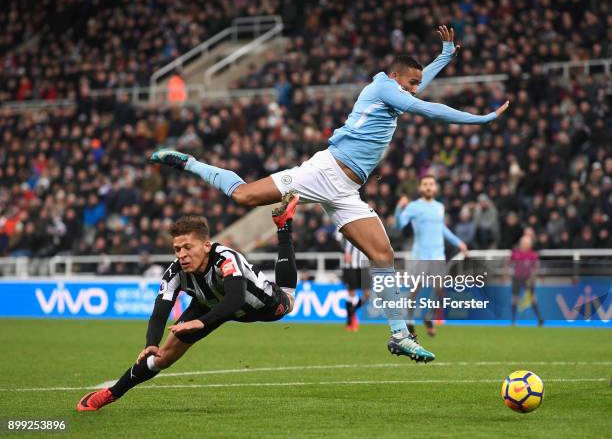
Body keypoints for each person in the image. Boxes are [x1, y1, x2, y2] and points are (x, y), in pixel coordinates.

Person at [151, 26, 510, 363]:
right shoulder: (383, 87)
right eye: (411, 83)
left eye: (416, 84)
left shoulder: (399, 90)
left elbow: (419, 89)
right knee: (245, 196)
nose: (416, 89)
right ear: (397, 78)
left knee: (382, 254)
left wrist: (445, 55)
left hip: (347, 189)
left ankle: (399, 335)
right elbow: (426, 107)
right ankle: (191, 163)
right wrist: (480, 119)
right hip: (324, 172)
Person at [76, 192, 300, 411]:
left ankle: (283, 226)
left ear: (206, 246)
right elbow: (160, 311)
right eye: (177, 249)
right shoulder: (175, 271)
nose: (181, 254)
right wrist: (151, 343)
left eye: (187, 248)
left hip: (256, 305)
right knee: (161, 357)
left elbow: (236, 298)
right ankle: (110, 394)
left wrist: (202, 323)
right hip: (209, 305)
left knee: (288, 298)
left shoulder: (225, 258)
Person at [395, 175, 468, 336]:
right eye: (425, 184)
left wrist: (458, 242)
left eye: (431, 184)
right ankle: (409, 321)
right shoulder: (414, 206)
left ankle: (429, 317)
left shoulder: (439, 207)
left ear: (435, 188)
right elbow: (399, 225)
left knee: (440, 290)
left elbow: (442, 229)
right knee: (415, 290)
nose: (428, 187)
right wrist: (399, 209)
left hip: (437, 254)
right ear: (421, 188)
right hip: (420, 254)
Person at [335, 231, 370, 332]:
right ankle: (350, 322)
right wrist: (344, 251)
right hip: (350, 266)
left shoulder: (367, 225)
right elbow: (336, 239)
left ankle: (352, 312)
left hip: (364, 265)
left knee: (367, 294)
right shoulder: (344, 222)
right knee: (351, 293)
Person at [508, 235, 543, 326]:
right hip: (516, 278)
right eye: (523, 243)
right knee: (514, 298)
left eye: (527, 243)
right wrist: (509, 273)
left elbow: (536, 268)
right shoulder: (515, 253)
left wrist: (532, 278)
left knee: (532, 299)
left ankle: (539, 319)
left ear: (530, 245)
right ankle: (513, 320)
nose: (524, 245)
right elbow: (508, 264)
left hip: (528, 279)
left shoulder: (533, 255)